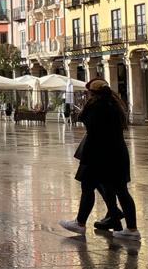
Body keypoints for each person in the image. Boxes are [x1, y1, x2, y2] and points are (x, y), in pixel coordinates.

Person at [60, 78, 140, 241]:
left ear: (92, 94)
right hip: (117, 152)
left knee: (88, 187)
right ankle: (131, 228)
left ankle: (80, 223)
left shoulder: (96, 107)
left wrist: (86, 106)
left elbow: (86, 123)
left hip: (98, 154)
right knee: (121, 190)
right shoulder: (115, 106)